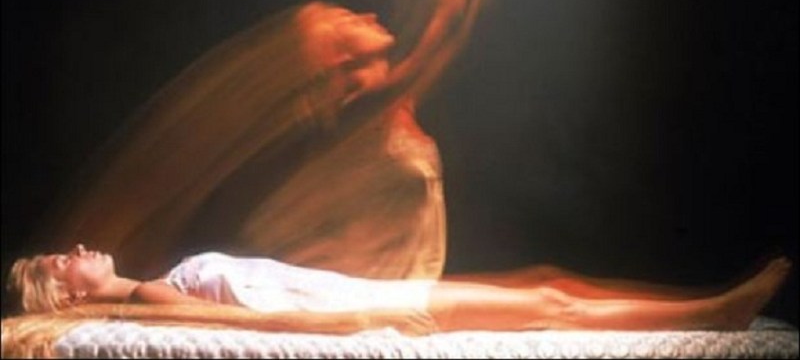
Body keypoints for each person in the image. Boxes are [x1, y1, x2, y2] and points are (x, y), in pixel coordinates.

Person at [40, 0, 531, 282]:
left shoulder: (383, 110)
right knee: (546, 296)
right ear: (337, 64)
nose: (364, 14)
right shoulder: (342, 119)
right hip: (352, 308)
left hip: (381, 299)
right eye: (344, 22)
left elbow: (438, 21)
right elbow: (442, 32)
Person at [6, 243, 792, 333]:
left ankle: (713, 308)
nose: (76, 248)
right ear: (65, 296)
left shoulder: (160, 281)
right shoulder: (151, 299)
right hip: (377, 305)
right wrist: (368, 318)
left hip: (372, 288)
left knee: (552, 292)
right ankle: (716, 313)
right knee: (553, 305)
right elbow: (262, 326)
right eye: (59, 261)